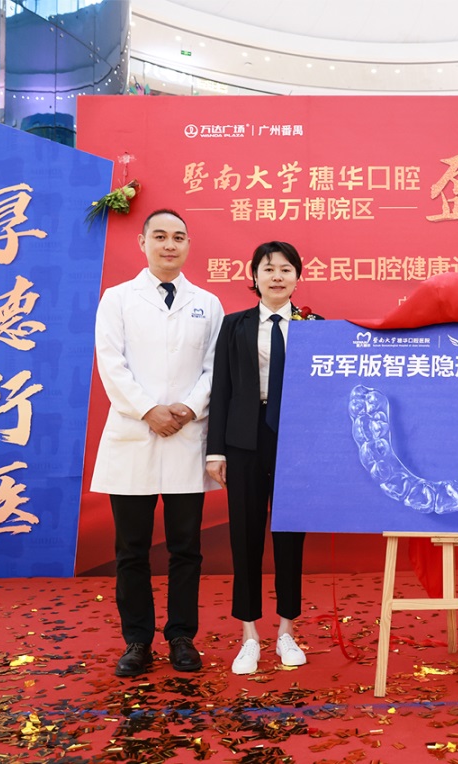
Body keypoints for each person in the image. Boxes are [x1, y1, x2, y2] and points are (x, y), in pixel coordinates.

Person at [91, 209, 224, 677]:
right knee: (132, 549)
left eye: (179, 237)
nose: (170, 245)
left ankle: (182, 637)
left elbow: (215, 368)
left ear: (188, 245)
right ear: (143, 242)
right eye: (161, 236)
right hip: (134, 435)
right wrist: (149, 410)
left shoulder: (207, 303)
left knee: (186, 547)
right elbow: (111, 363)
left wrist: (188, 408)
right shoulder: (117, 299)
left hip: (187, 436)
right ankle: (137, 641)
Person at [207, 241, 322, 675]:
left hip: (296, 441)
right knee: (245, 535)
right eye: (268, 268)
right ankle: (249, 636)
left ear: (298, 277)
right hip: (244, 437)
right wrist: (215, 450)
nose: (277, 276)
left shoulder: (315, 326)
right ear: (253, 275)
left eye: (286, 269)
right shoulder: (234, 325)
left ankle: (287, 631)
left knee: (291, 536)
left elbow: (326, 394)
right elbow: (220, 389)